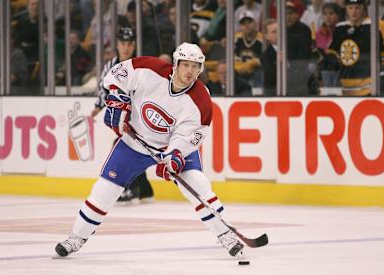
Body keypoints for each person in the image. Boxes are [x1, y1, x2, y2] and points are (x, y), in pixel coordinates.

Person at [55, 42, 245, 259]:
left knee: (198, 185)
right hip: (134, 143)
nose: (190, 71)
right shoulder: (149, 69)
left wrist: (174, 157)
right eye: (186, 65)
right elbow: (117, 74)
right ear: (176, 64)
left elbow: (189, 135)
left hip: (172, 149)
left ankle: (226, 235)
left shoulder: (201, 99)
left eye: (196, 66)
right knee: (104, 190)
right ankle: (76, 238)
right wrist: (118, 99)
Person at [92, 27, 154, 205]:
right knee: (133, 147)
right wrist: (99, 105)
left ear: (134, 45)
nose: (125, 48)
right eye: (122, 44)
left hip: (139, 115)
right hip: (120, 114)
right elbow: (103, 87)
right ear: (117, 45)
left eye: (129, 44)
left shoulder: (141, 64)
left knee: (126, 147)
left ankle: (131, 190)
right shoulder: (110, 65)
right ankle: (145, 190)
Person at [324, 0, 384, 95]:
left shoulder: (378, 26)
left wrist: (383, 81)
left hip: (371, 88)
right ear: (346, 9)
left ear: (364, 8)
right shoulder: (340, 29)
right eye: (350, 8)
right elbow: (332, 56)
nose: (354, 11)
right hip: (346, 89)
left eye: (357, 8)